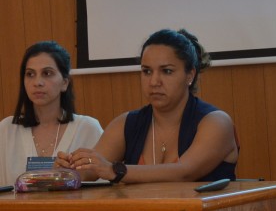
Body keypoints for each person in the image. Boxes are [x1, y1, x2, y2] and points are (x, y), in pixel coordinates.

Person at [56, 29, 238, 183]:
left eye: (167, 71)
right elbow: (93, 170)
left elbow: (185, 172)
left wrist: (116, 170)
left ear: (190, 75)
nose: (154, 81)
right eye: (147, 71)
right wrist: (70, 170)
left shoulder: (216, 122)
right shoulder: (126, 123)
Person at [0, 41, 103, 186]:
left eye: (47, 73)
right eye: (30, 74)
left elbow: (104, 187)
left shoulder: (87, 128)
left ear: (65, 83)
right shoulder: (6, 129)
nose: (37, 82)